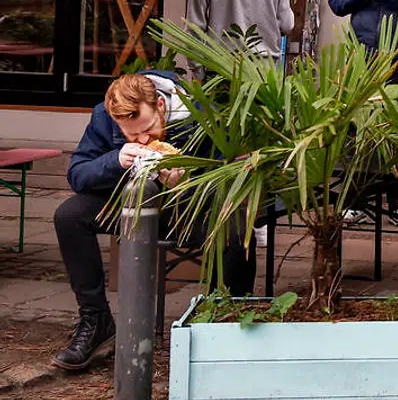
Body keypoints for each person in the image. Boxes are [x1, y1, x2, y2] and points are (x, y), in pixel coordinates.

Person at [52, 72, 254, 371]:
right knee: (68, 216)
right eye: (132, 135)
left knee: (234, 232)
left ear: (160, 104)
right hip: (129, 204)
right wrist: (115, 159)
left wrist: (188, 181)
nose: (144, 140)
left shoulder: (199, 112)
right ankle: (96, 320)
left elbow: (232, 172)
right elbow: (77, 174)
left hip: (189, 210)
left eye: (147, 129)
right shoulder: (104, 117)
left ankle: (221, 323)